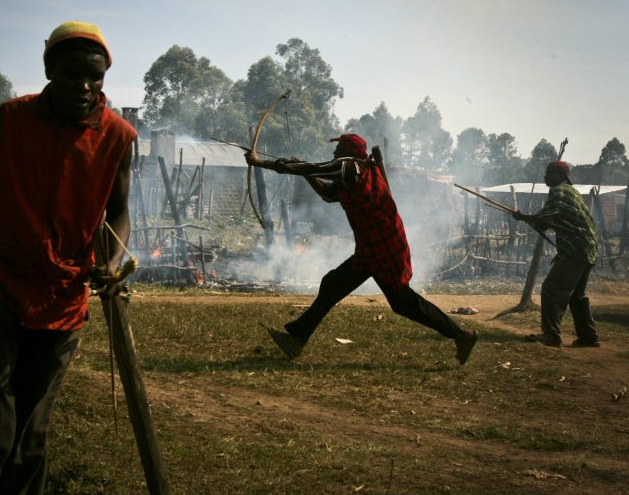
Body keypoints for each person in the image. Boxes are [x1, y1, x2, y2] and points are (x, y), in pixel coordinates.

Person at [0, 20, 137, 495]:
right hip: (3, 283)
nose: (84, 88)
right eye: (71, 75)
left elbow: (119, 211)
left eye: (96, 78)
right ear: (48, 69)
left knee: (31, 427)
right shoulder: (14, 117)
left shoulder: (118, 137)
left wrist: (110, 260)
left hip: (65, 296)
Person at [245, 134, 478, 365]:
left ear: (348, 151)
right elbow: (327, 194)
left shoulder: (349, 167)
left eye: (338, 149)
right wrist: (304, 170)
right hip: (373, 248)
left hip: (384, 248)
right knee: (333, 284)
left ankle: (461, 336)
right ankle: (297, 337)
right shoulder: (358, 172)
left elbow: (315, 168)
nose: (335, 153)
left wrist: (259, 162)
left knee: (404, 303)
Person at [512, 161, 600, 347]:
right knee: (577, 295)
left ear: (561, 176)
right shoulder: (571, 192)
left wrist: (523, 217)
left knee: (552, 289)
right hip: (587, 248)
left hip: (575, 250)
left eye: (550, 173)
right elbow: (548, 221)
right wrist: (531, 220)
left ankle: (551, 335)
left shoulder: (559, 192)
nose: (546, 176)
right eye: (546, 173)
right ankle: (588, 337)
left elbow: (544, 218)